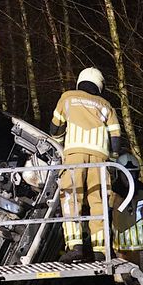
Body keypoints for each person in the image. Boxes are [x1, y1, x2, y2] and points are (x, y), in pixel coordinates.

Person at [50, 67, 123, 261]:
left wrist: (59, 142)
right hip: (100, 160)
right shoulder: (106, 105)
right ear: (100, 85)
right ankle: (101, 250)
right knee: (99, 202)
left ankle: (75, 246)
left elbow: (55, 128)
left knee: (71, 198)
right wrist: (112, 159)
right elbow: (116, 137)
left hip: (74, 156)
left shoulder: (68, 98)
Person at [109, 153, 143, 281]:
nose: (129, 178)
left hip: (142, 250)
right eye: (125, 174)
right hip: (122, 250)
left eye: (132, 174)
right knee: (123, 283)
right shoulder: (113, 193)